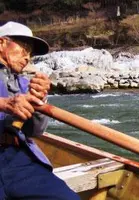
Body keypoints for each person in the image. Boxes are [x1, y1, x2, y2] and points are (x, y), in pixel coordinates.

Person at [0, 21, 79, 199]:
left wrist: (39, 101)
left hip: (17, 159)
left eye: (31, 53)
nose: (28, 57)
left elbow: (34, 131)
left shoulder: (24, 83)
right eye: (24, 48)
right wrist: (5, 104)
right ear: (2, 43)